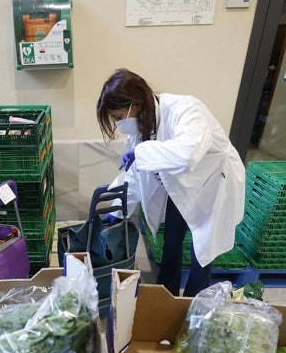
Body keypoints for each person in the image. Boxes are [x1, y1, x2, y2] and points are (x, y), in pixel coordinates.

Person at [96, 68, 245, 297]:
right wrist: (118, 205)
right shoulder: (141, 127)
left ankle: (193, 305)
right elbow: (134, 175)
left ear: (134, 103)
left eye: (117, 117)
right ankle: (166, 294)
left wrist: (142, 152)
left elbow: (189, 152)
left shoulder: (185, 109)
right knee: (172, 241)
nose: (118, 124)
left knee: (202, 252)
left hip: (214, 182)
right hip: (181, 185)